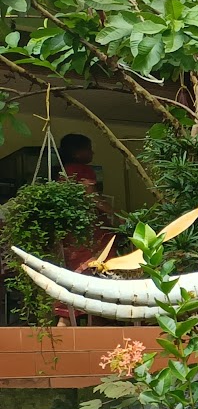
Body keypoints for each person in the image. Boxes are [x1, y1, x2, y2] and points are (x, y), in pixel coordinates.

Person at [52, 136, 118, 326]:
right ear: (77, 152)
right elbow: (92, 198)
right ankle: (94, 319)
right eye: (89, 149)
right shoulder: (82, 170)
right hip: (90, 234)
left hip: (73, 235)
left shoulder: (64, 172)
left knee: (75, 273)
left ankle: (65, 320)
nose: (92, 153)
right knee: (97, 269)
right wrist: (118, 215)